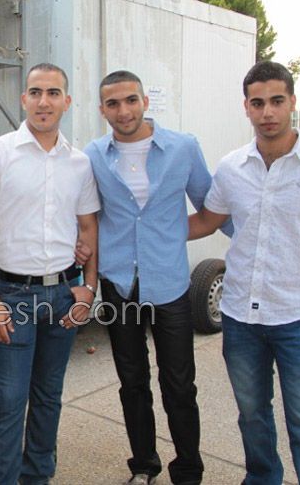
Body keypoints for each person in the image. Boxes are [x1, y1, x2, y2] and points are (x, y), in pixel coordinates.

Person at [188, 61, 300, 485]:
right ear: (246, 108)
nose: (267, 112)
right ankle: (262, 478)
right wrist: (140, 229)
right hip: (240, 318)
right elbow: (208, 221)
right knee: (252, 416)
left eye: (276, 101)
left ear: (292, 102)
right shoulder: (232, 167)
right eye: (258, 103)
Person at [0, 62, 100, 485]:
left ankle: (38, 476)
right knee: (9, 402)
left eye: (53, 93)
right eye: (36, 92)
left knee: (49, 397)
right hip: (11, 296)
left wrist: (88, 289)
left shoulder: (79, 163)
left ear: (67, 102)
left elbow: (88, 227)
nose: (44, 101)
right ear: (24, 98)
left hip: (63, 295)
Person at [83, 70, 210, 485]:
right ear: (102, 110)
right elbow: (86, 217)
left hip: (169, 283)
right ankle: (143, 465)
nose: (124, 111)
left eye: (131, 100)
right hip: (119, 284)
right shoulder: (93, 155)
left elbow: (211, 208)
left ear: (145, 102)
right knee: (132, 381)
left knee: (179, 384)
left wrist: (170, 236)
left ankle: (188, 471)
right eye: (113, 103)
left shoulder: (183, 148)